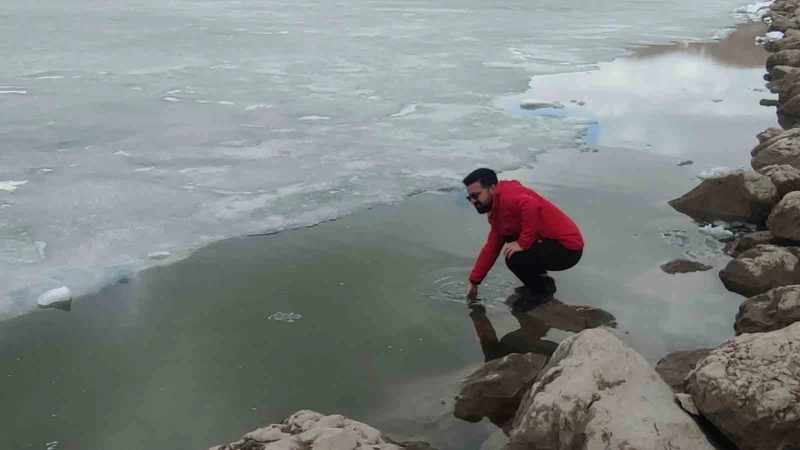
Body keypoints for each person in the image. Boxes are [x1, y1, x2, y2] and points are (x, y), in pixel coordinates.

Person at [463, 168, 584, 312]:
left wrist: (523, 243)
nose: (473, 201)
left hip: (567, 249)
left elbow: (531, 205)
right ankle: (539, 284)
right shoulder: (497, 212)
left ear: (493, 188)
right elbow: (491, 249)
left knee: (514, 256)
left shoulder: (509, 195)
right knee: (511, 242)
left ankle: (542, 291)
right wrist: (474, 281)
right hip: (550, 245)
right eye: (470, 198)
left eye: (476, 195)